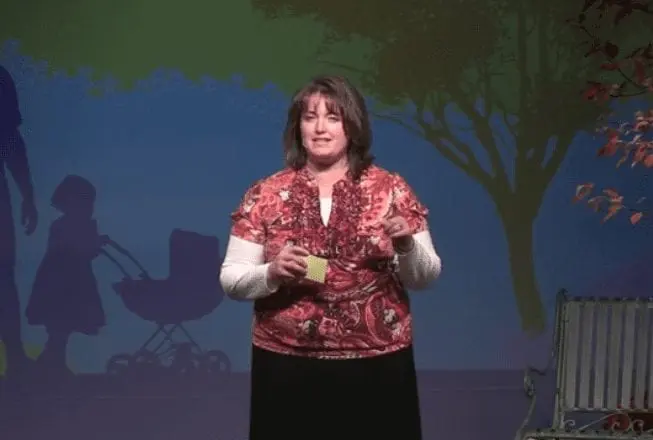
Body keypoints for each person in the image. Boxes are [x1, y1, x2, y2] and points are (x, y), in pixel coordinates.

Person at [219, 75, 442, 440]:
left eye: (333, 117)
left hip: (378, 366)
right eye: (310, 117)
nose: (320, 128)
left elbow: (425, 276)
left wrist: (406, 245)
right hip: (287, 365)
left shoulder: (391, 190)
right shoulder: (265, 194)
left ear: (352, 125)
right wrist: (271, 273)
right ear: (298, 127)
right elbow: (231, 279)